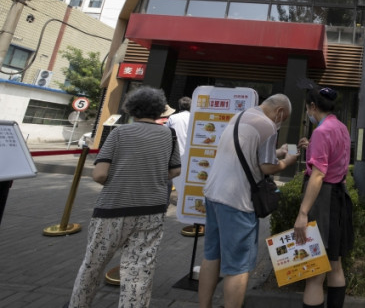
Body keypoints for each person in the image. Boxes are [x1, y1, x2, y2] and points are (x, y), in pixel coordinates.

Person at [66, 86, 182, 307]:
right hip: (152, 211)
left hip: (113, 208)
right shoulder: (169, 134)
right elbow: (175, 170)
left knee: (93, 265)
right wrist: (154, 177)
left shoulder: (119, 133)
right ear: (159, 110)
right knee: (139, 271)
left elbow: (100, 174)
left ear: (131, 108)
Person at [197, 94, 301, 308]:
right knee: (238, 267)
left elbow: (248, 152)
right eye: (284, 117)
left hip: (213, 194)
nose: (282, 122)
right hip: (237, 202)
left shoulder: (240, 115)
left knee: (211, 256)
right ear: (280, 112)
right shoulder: (268, 126)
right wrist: (286, 161)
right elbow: (267, 167)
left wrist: (277, 152)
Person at [294, 87, 353, 308]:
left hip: (323, 202)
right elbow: (336, 160)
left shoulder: (320, 131)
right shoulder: (341, 127)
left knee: (315, 273)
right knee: (335, 266)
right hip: (339, 198)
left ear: (313, 107)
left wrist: (302, 213)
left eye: (308, 107)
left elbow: (318, 175)